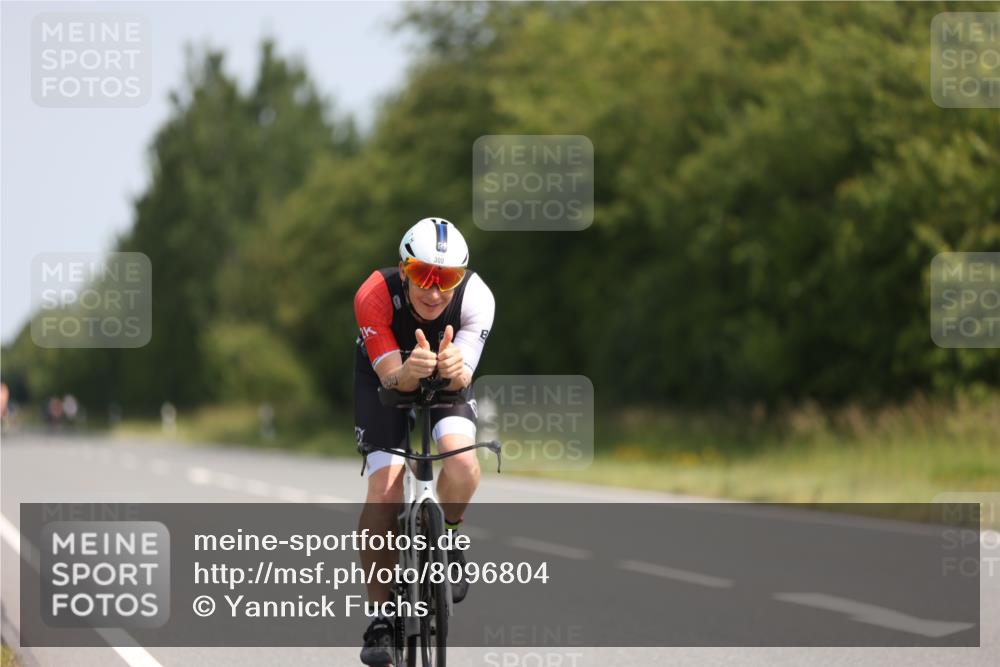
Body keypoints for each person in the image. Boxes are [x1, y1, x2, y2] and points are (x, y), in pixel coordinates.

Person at [353, 218, 495, 666]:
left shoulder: (477, 298)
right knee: (384, 491)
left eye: (446, 279)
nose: (434, 292)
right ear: (404, 269)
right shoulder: (374, 294)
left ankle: (448, 537)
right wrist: (407, 372)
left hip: (445, 379)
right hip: (386, 378)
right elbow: (389, 378)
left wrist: (454, 368)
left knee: (464, 465)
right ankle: (380, 618)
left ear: (461, 277)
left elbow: (463, 375)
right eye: (422, 276)